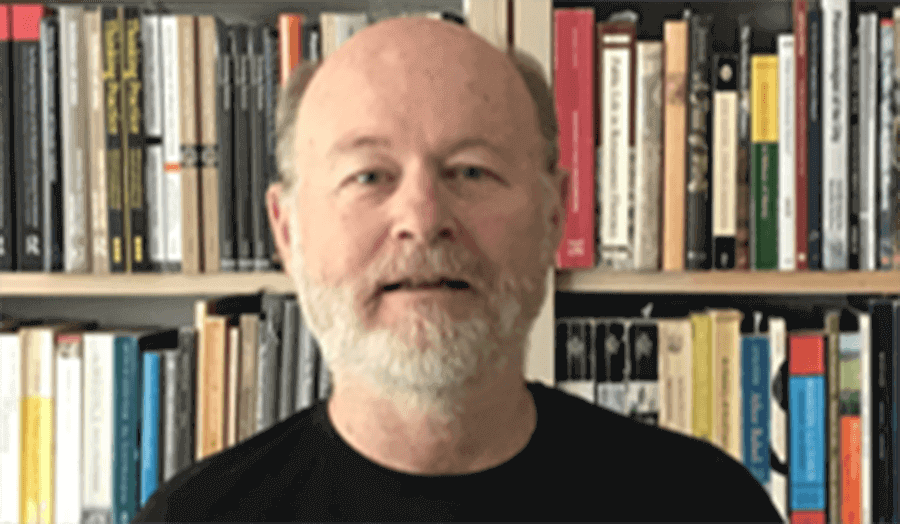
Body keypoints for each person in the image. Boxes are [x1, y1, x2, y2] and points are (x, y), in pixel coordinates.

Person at [134, 15, 783, 523]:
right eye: (368, 176)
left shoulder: (708, 506)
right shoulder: (190, 519)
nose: (423, 216)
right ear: (288, 228)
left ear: (555, 214)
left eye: (471, 170)